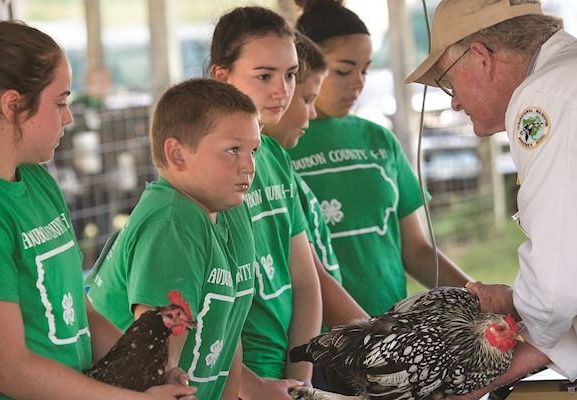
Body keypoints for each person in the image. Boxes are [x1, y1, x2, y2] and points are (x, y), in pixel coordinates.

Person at [404, 0, 577, 399]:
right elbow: (576, 281)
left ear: (482, 57)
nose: (453, 101)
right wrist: (486, 379)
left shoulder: (544, 97)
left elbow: (561, 280)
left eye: (449, 81)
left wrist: (515, 305)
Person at [0, 20, 197, 400]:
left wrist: (146, 373)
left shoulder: (37, 181)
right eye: (60, 102)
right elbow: (8, 370)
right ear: (13, 105)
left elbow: (83, 314)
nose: (68, 117)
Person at [288, 0, 471, 319]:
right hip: (317, 346)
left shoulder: (379, 140)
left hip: (388, 334)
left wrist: (479, 296)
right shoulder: (278, 145)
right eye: (344, 70)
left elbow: (415, 251)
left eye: (365, 69)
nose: (359, 82)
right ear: (303, 66)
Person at [87, 78, 261, 400]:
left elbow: (227, 331)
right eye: (233, 150)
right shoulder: (172, 223)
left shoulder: (230, 207)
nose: (249, 166)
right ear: (177, 154)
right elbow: (156, 361)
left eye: (254, 150)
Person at [208, 7, 322, 399]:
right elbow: (198, 309)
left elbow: (305, 282)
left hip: (281, 376)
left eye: (290, 74)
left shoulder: (274, 156)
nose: (282, 90)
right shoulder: (201, 168)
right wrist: (252, 386)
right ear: (221, 77)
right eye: (264, 76)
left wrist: (301, 379)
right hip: (224, 381)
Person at [262, 31, 369, 394]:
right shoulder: (242, 175)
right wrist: (375, 339)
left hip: (297, 363)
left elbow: (309, 279)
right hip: (261, 370)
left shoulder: (276, 163)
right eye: (306, 98)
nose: (310, 110)